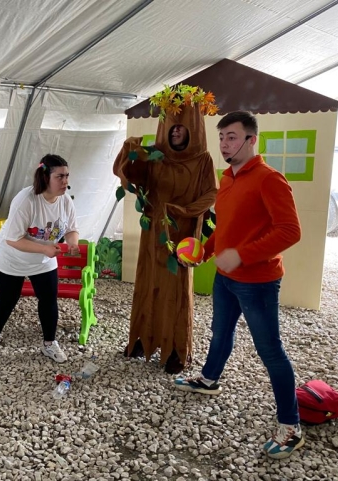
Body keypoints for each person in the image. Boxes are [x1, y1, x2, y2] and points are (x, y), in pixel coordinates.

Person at [174, 111, 304, 459]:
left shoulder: (269, 179)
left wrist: (242, 255)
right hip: (226, 278)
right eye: (221, 137)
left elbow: (290, 231)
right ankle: (209, 379)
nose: (224, 144)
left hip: (257, 282)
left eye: (231, 137)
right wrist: (206, 251)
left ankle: (291, 426)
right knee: (220, 332)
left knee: (270, 351)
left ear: (251, 140)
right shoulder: (228, 178)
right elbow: (227, 228)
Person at [113, 85, 218, 373]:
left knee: (175, 291)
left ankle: (175, 350)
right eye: (172, 126)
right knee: (147, 283)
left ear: (192, 129)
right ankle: (141, 339)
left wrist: (187, 211)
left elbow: (211, 193)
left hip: (181, 237)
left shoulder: (202, 160)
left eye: (181, 127)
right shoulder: (155, 157)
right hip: (153, 234)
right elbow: (131, 177)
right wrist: (130, 152)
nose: (176, 131)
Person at [0, 154, 79, 362]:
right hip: (12, 257)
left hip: (42, 259)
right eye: (60, 177)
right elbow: (13, 239)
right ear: (45, 177)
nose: (65, 181)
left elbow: (71, 228)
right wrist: (44, 249)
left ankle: (49, 344)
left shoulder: (65, 201)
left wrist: (72, 242)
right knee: (8, 298)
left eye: (67, 176)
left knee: (49, 298)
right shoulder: (26, 200)